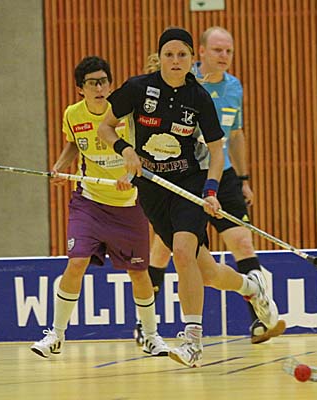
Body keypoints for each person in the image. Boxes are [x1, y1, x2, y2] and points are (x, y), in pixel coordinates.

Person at [97, 27, 280, 368]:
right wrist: (126, 151)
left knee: (181, 252)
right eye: (169, 54)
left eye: (182, 55)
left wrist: (211, 190)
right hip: (153, 188)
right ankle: (252, 288)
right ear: (160, 57)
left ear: (192, 58)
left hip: (189, 183)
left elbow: (216, 151)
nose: (176, 60)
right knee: (207, 272)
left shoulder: (199, 97)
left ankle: (192, 342)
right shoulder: (137, 89)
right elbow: (105, 127)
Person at [31, 56, 169, 358]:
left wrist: (129, 176)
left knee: (139, 272)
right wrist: (59, 166)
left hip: (129, 204)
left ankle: (151, 336)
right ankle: (56, 334)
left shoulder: (125, 112)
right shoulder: (72, 114)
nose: (99, 88)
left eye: (104, 81)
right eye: (92, 83)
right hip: (89, 202)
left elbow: (146, 151)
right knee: (77, 261)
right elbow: (74, 144)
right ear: (80, 88)